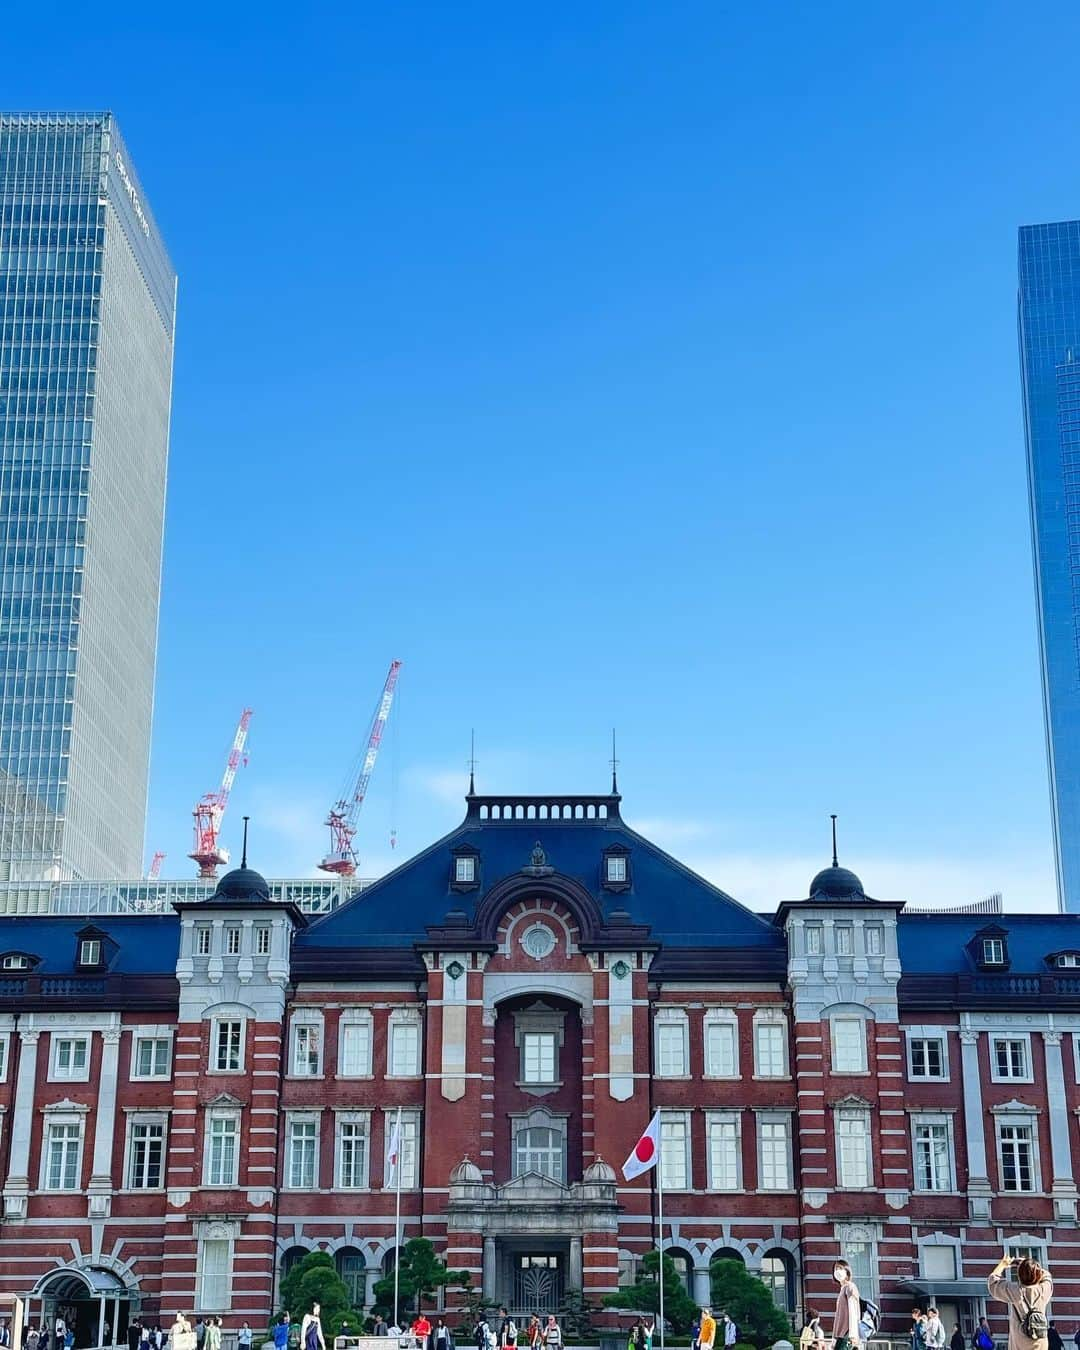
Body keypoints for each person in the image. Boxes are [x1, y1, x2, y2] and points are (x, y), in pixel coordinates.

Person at [988, 1252, 1053, 1350]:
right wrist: (1031, 1266)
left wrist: (1003, 1264)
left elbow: (993, 1283)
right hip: (1040, 1346)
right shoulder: (1044, 1290)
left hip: (1018, 1346)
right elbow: (1047, 1276)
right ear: (1039, 1275)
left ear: (1019, 1275)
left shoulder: (1014, 1290)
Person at [832, 1259, 862, 1350]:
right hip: (841, 1334)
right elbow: (838, 1316)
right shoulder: (843, 1289)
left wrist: (853, 1335)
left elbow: (853, 1311)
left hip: (847, 1333)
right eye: (835, 1268)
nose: (837, 1271)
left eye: (840, 1268)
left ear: (846, 1271)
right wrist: (834, 1337)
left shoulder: (850, 1287)